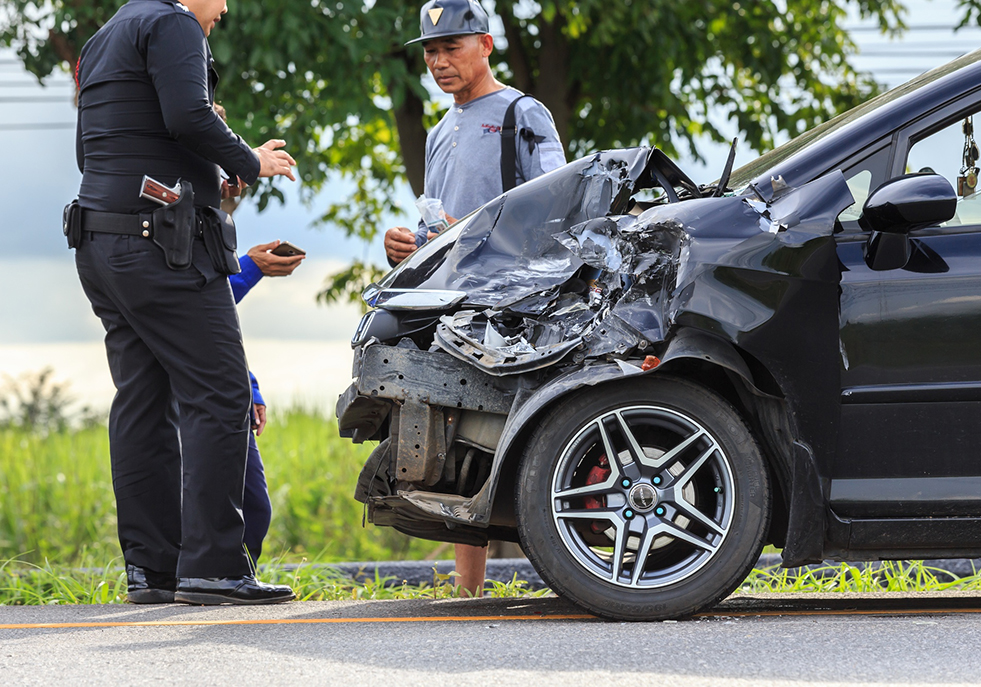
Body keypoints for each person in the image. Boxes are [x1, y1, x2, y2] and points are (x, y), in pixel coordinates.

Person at [70, 0, 296, 605]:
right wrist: (251, 159)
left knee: (141, 401)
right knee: (220, 394)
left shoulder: (106, 35)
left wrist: (203, 177)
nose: (222, 9)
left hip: (101, 244)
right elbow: (189, 115)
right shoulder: (174, 22)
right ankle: (215, 567)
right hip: (163, 248)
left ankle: (154, 570)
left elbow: (96, 153)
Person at [386, 0, 567, 596]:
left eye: (452, 47)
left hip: (518, 301)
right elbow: (437, 227)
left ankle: (576, 576)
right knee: (465, 439)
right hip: (456, 304)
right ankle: (470, 592)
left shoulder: (522, 113)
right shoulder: (439, 132)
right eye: (431, 52)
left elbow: (562, 206)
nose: (440, 61)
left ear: (485, 45)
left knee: (535, 433)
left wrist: (477, 232)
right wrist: (407, 248)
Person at [229, 240, 305, 564]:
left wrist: (250, 388)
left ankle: (239, 575)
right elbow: (194, 302)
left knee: (254, 506)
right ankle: (214, 576)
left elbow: (218, 329)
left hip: (230, 389)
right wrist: (250, 268)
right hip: (188, 395)